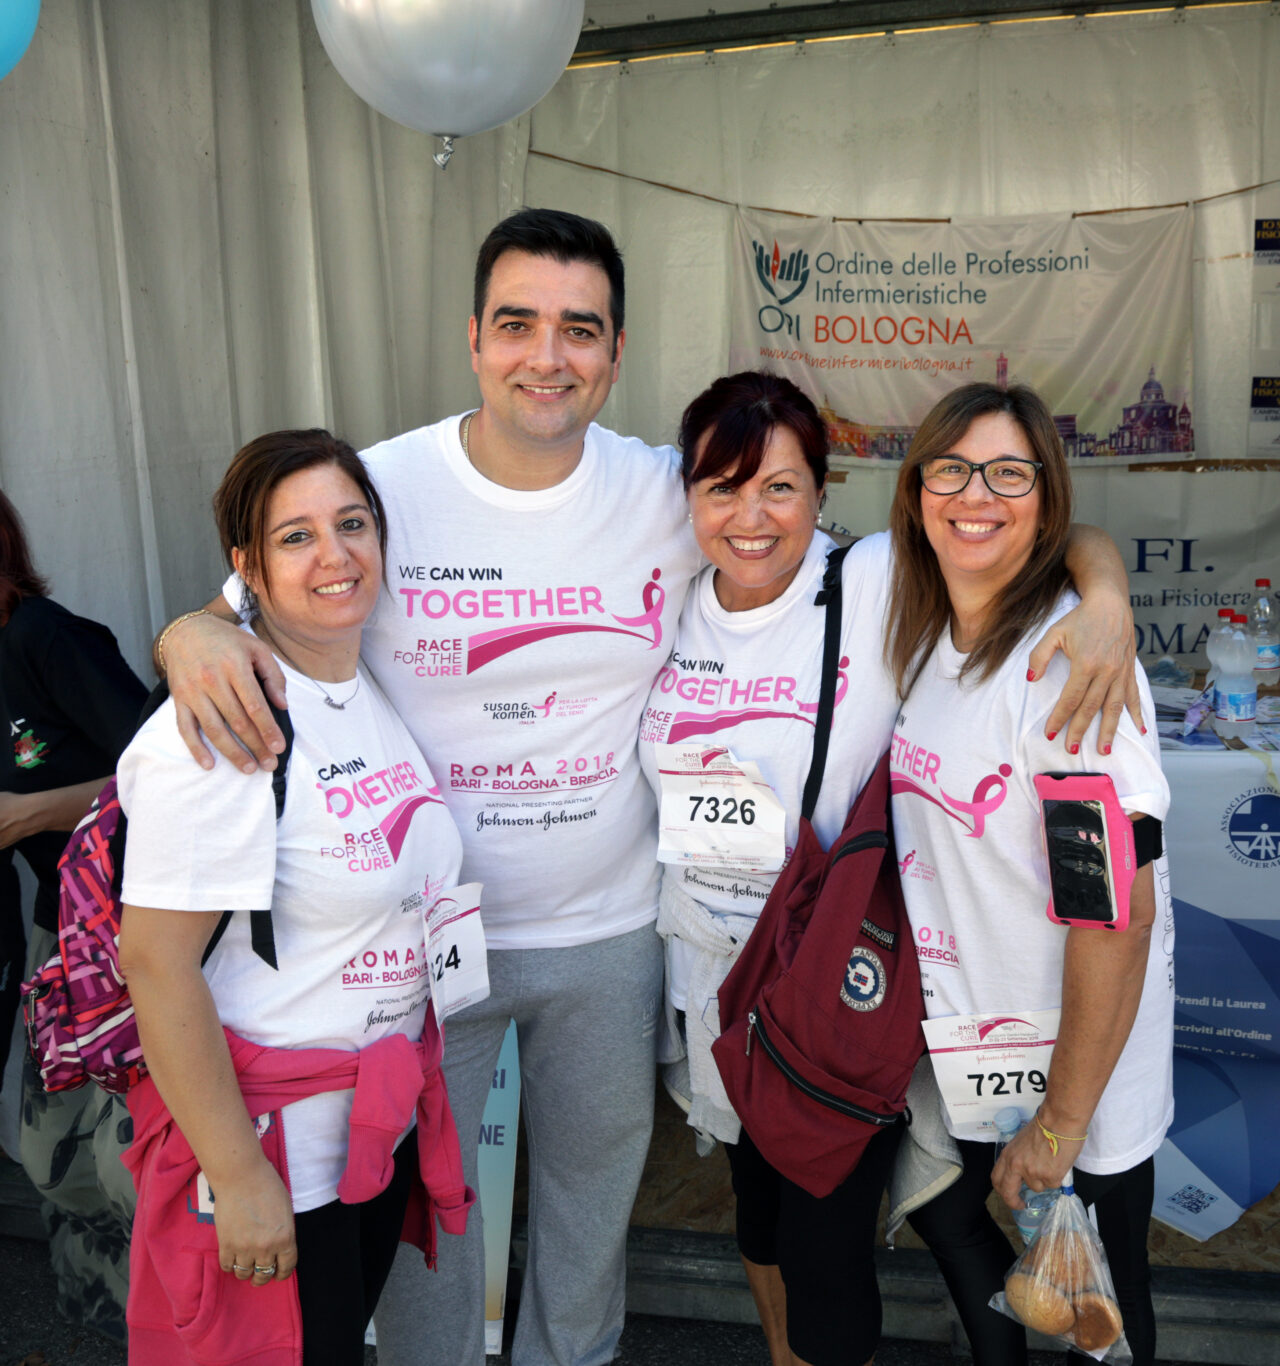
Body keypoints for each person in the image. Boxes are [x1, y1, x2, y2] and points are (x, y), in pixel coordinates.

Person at [155, 212, 1140, 1366]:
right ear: (473, 337)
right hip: (423, 945)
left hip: (613, 936)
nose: (546, 356)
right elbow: (251, 592)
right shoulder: (388, 484)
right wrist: (186, 633)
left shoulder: (663, 492)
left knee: (588, 1208)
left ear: (615, 352)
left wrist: (1105, 587)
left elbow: (980, 531)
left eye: (579, 329)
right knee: (430, 1216)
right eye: (517, 324)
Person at [637, 372, 1145, 1366]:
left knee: (825, 1245)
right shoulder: (668, 601)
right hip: (709, 976)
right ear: (687, 499)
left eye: (779, 487)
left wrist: (1107, 593)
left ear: (823, 495)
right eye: (721, 489)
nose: (750, 517)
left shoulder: (869, 579)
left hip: (830, 981)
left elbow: (1021, 531)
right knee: (756, 1215)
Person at [115, 430, 472, 1366]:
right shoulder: (224, 726)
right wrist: (240, 1179)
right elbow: (155, 965)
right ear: (247, 570)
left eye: (351, 524)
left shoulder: (363, 686)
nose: (335, 555)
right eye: (295, 536)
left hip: (365, 1139)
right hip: (276, 1159)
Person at [883, 383, 1174, 1366]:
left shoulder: (1064, 668)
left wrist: (1057, 1124)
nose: (977, 494)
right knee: (976, 1250)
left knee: (1096, 1320)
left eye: (1009, 472)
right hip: (977, 1051)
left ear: (1041, 500)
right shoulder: (924, 624)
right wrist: (1105, 582)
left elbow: (1112, 915)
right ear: (916, 487)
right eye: (952, 468)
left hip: (1073, 1079)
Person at [0, 487, 147, 1342]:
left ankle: (176, 1326)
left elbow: (162, 767)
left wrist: (30, 813)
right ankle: (110, 1326)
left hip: (131, 933)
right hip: (53, 933)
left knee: (128, 1161)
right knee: (52, 1158)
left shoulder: (45, 638)